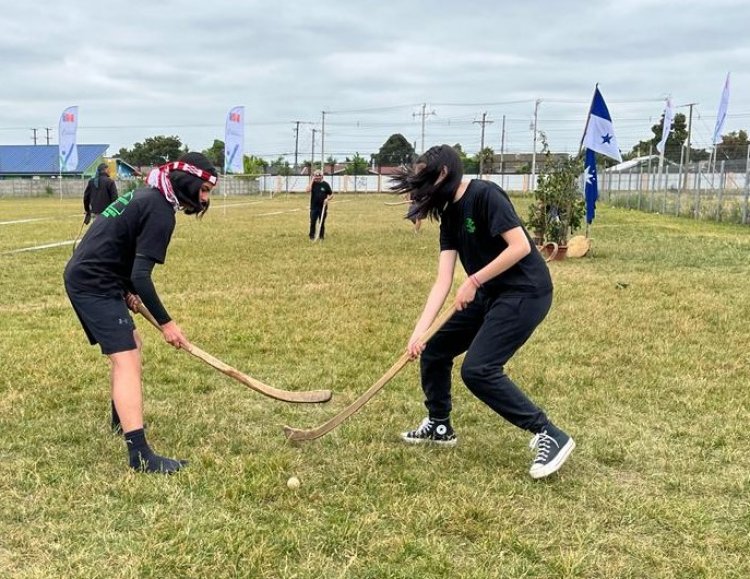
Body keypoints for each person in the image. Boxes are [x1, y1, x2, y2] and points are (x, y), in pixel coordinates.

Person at [391, 144, 575, 480]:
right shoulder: (449, 214)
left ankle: (550, 433)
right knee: (434, 350)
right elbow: (443, 280)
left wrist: (474, 280)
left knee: (478, 369)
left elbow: (520, 246)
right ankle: (439, 425)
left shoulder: (484, 195)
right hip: (489, 293)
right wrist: (419, 332)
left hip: (525, 291)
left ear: (444, 174)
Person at [64, 152, 218, 474]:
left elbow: (118, 245)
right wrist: (167, 324)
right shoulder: (161, 210)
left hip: (99, 276)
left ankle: (121, 420)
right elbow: (140, 274)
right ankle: (140, 455)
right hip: (93, 281)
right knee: (127, 357)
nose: (204, 200)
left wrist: (126, 291)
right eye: (203, 190)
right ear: (188, 182)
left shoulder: (149, 195)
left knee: (132, 343)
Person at [306, 169, 333, 240]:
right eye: (315, 176)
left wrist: (327, 199)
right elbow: (307, 190)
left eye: (318, 177)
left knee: (321, 222)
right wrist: (312, 181)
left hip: (322, 207)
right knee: (312, 222)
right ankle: (311, 237)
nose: (317, 178)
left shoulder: (325, 184)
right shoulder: (313, 184)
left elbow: (331, 194)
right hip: (314, 207)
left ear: (322, 176)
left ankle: (321, 237)